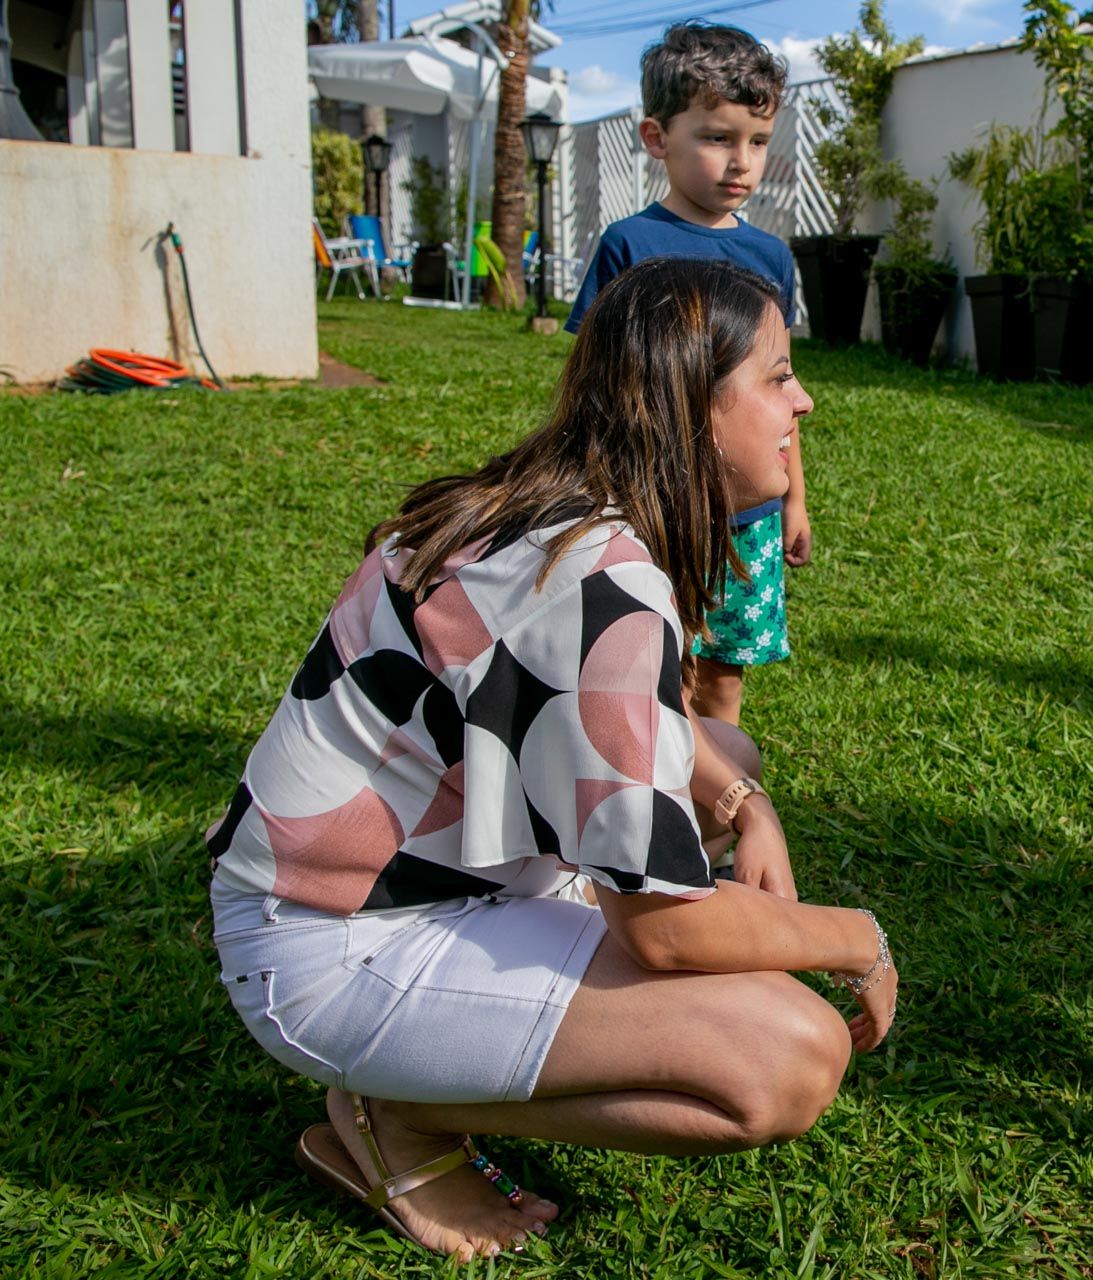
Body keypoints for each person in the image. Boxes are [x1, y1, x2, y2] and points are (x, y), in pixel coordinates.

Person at [208, 259, 897, 1262]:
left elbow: (625, 709)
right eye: (778, 374)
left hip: (377, 888)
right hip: (332, 948)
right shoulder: (602, 586)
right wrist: (850, 935)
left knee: (728, 750)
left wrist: (746, 800)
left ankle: (424, 1076)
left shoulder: (562, 510)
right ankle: (401, 1113)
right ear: (695, 408)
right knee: (790, 1056)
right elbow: (661, 929)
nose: (803, 401)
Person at [566, 22, 811, 731]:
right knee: (645, 668)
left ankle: (710, 832)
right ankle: (652, 813)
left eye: (758, 141)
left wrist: (795, 501)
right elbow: (596, 388)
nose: (741, 162)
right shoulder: (628, 246)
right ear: (655, 137)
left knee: (722, 684)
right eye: (716, 137)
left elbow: (781, 392)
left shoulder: (771, 257)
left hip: (745, 520)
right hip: (650, 508)